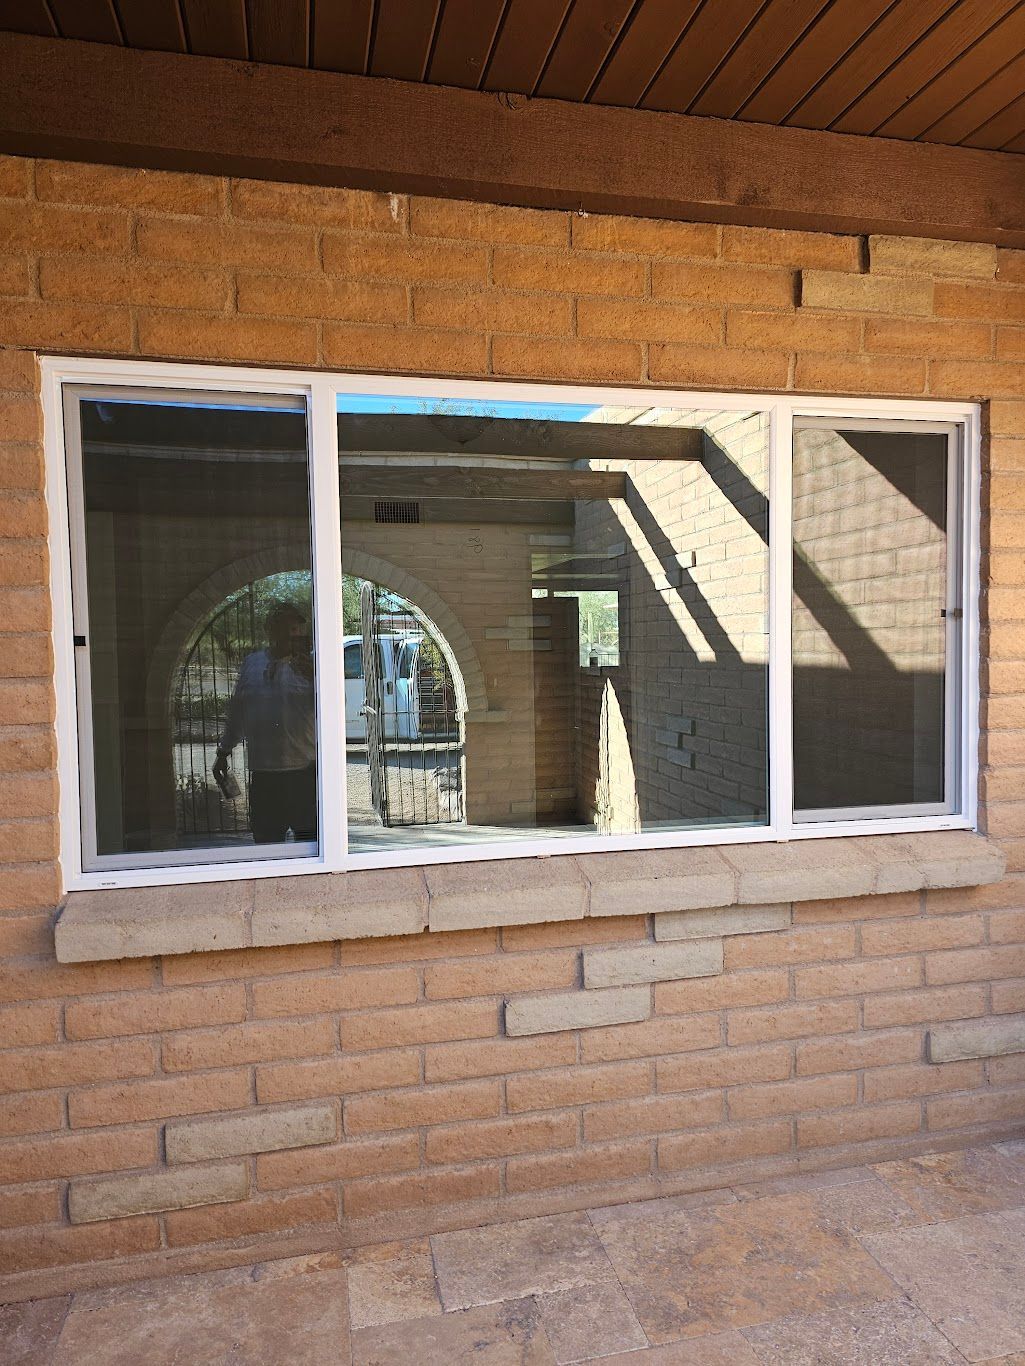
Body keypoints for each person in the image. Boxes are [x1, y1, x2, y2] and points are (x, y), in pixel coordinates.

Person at [213, 603, 317, 844]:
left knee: (310, 844)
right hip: (263, 775)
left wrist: (314, 676)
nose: (290, 635)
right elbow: (238, 711)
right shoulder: (253, 664)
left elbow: (335, 706)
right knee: (267, 843)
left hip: (304, 772)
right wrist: (223, 751)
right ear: (270, 630)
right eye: (284, 628)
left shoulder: (313, 664)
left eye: (295, 629)